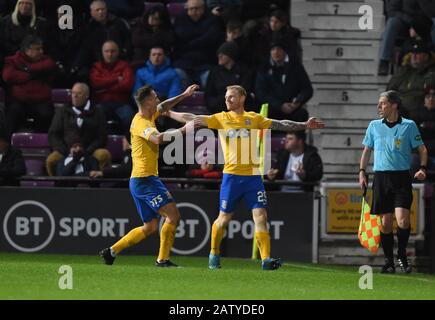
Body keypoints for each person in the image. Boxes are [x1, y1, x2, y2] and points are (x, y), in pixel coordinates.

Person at [166, 85, 324, 270]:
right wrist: (170, 113)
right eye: (226, 97)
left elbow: (280, 124)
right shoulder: (221, 118)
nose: (227, 100)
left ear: (242, 98)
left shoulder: (253, 119)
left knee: (261, 217)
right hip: (231, 177)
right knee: (223, 219)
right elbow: (192, 118)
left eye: (231, 97)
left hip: (253, 178)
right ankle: (214, 254)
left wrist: (304, 125)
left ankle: (266, 260)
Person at [99, 84, 199, 267]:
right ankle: (162, 260)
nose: (158, 100)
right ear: (146, 102)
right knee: (173, 216)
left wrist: (184, 95)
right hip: (145, 180)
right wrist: (186, 129)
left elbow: (164, 107)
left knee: (150, 226)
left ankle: (111, 251)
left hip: (142, 180)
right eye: (154, 97)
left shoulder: (150, 114)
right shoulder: (140, 123)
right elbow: (158, 139)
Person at [359, 90, 427, 274]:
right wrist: (362, 172)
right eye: (379, 103)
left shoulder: (409, 125)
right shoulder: (374, 126)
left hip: (401, 178)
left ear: (394, 105)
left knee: (403, 221)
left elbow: (422, 149)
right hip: (381, 178)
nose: (379, 107)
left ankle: (402, 255)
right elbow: (367, 151)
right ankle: (389, 260)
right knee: (385, 224)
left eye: (382, 103)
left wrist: (422, 168)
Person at [46, 82, 111, 176]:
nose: (74, 96)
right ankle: (57, 186)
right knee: (51, 160)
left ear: (86, 95)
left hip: (90, 151)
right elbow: (53, 134)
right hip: (66, 150)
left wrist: (86, 151)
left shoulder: (97, 112)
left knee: (103, 155)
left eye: (78, 93)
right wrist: (67, 150)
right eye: (73, 93)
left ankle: (100, 185)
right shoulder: (62, 111)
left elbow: (101, 137)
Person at [2, 35, 56, 136]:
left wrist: (28, 68)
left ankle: (43, 143)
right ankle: (6, 146)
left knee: (47, 114)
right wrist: (33, 75)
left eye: (41, 48)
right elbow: (8, 76)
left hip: (41, 101)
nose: (41, 51)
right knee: (12, 113)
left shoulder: (46, 60)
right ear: (27, 50)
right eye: (38, 49)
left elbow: (50, 65)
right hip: (19, 101)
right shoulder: (12, 60)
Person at [255, 40, 313, 121]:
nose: (276, 52)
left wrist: (298, 100)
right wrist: (280, 106)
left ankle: (293, 134)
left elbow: (307, 89)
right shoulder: (264, 67)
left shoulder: (295, 66)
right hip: (272, 110)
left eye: (279, 49)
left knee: (302, 114)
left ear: (284, 51)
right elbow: (260, 92)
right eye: (273, 49)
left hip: (293, 109)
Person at [172, 0, 224, 89]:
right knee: (177, 76)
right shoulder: (180, 19)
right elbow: (179, 36)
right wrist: (201, 36)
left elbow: (211, 39)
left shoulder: (212, 19)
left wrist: (189, 42)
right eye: (191, 9)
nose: (194, 11)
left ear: (203, 9)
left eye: (197, 8)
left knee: (209, 80)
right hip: (184, 63)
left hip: (205, 63)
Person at [90, 40, 135, 136]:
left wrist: (105, 87)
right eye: (107, 51)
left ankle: (128, 145)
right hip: (101, 102)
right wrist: (116, 79)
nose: (109, 54)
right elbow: (95, 84)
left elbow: (127, 85)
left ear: (118, 52)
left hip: (121, 103)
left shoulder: (125, 66)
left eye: (112, 51)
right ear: (102, 52)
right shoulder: (96, 66)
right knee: (94, 118)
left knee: (130, 118)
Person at [205, 41, 254, 113]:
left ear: (231, 56)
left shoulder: (243, 71)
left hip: (238, 111)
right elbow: (209, 95)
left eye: (223, 54)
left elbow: (242, 92)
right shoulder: (214, 72)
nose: (219, 56)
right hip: (218, 110)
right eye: (219, 53)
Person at [410, 85, 435, 177]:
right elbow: (415, 137)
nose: (431, 99)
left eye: (433, 97)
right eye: (428, 97)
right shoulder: (416, 114)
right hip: (420, 153)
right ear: (424, 100)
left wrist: (426, 126)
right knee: (413, 162)